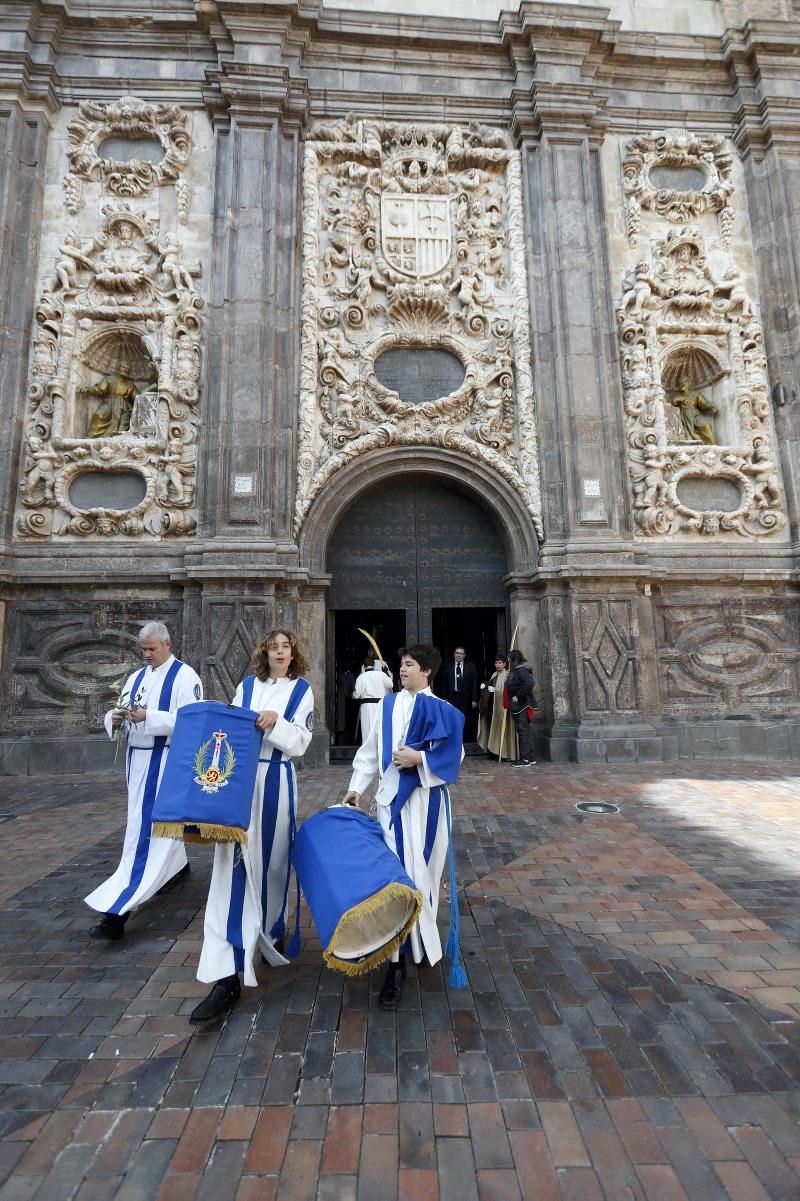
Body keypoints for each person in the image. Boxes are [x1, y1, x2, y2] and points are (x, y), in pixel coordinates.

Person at [191, 629, 314, 1024]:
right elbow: (225, 730)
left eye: (286, 647)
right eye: (273, 647)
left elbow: (300, 742)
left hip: (277, 781)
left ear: (293, 653)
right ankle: (227, 971)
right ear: (264, 652)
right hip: (240, 781)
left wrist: (276, 724)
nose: (280, 652)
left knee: (274, 865)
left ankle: (271, 929)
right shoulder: (246, 686)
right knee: (232, 870)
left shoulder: (302, 690)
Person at [344, 644, 464, 1010]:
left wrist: (420, 759)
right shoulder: (386, 706)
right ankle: (395, 964)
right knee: (394, 879)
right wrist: (354, 788)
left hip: (426, 805)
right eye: (401, 665)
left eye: (409, 665)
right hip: (390, 805)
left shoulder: (444, 710)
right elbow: (368, 752)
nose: (402, 670)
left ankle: (420, 943)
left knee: (424, 876)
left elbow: (454, 755)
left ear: (427, 670)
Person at [85, 621, 202, 939]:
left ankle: (118, 911)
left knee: (143, 834)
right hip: (135, 763)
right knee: (143, 825)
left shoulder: (185, 676)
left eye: (152, 648)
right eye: (144, 649)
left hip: (163, 763)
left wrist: (150, 717)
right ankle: (176, 868)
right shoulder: (136, 677)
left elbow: (193, 722)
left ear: (167, 644)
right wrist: (116, 716)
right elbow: (120, 708)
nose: (147, 654)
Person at [477, 654, 519, 761]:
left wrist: (495, 691)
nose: (497, 664)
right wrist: (487, 688)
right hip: (494, 707)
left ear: (505, 664)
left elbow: (506, 692)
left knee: (503, 728)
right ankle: (495, 751)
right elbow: (490, 687)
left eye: (500, 662)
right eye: (496, 662)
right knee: (494, 728)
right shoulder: (494, 674)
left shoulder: (507, 675)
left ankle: (504, 753)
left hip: (502, 708)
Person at [352, 656, 393, 744]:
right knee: (380, 730)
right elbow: (390, 685)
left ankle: (367, 754)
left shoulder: (361, 678)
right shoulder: (381, 675)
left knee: (367, 731)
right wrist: (386, 672)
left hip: (367, 707)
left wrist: (352, 695)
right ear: (374, 665)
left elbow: (357, 694)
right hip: (380, 706)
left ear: (364, 666)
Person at [440, 646, 478, 741]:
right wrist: (444, 698)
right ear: (454, 654)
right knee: (452, 718)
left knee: (465, 718)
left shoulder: (471, 666)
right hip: (452, 697)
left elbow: (474, 683)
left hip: (466, 698)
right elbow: (443, 683)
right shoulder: (448, 666)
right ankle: (453, 739)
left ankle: (465, 739)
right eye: (457, 653)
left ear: (464, 655)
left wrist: (474, 699)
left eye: (461, 653)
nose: (459, 655)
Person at [506, 649, 536, 767]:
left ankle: (525, 759)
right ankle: (530, 757)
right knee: (525, 731)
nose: (508, 661)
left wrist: (518, 696)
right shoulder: (517, 671)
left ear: (514, 659)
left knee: (523, 731)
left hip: (522, 705)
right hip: (520, 705)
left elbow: (529, 683)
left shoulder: (521, 670)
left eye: (510, 658)